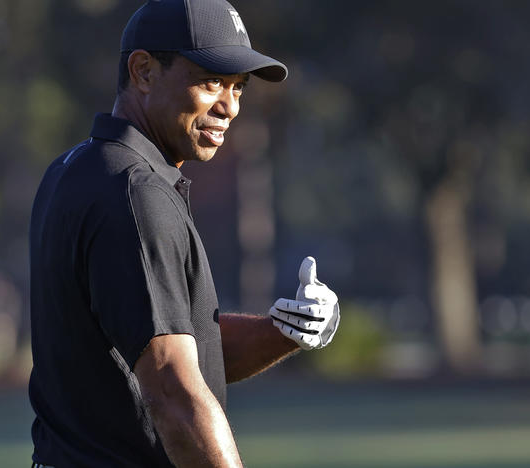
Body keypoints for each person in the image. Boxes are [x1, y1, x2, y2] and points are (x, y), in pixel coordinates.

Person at [28, 0, 341, 466]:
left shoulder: (78, 169)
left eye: (239, 87)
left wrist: (285, 331)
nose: (230, 106)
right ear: (144, 71)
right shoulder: (135, 192)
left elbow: (168, 345)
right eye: (212, 81)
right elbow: (173, 390)